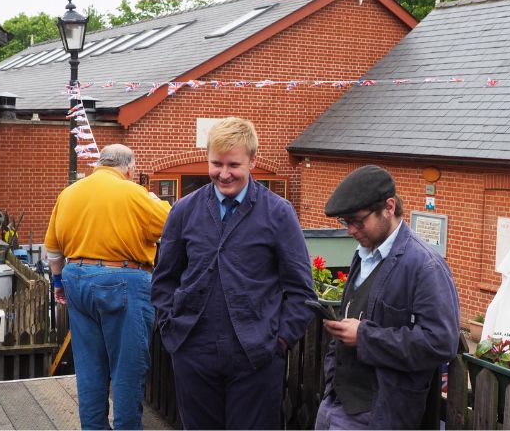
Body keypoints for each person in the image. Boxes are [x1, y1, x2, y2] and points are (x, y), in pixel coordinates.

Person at [152, 117, 314, 430]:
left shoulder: (278, 212)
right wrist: (171, 329)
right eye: (216, 163)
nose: (224, 174)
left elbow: (301, 290)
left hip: (256, 356)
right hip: (193, 350)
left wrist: (279, 341)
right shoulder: (184, 210)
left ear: (253, 161)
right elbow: (164, 278)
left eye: (234, 165)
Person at [316, 166, 460, 430]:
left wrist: (365, 337)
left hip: (379, 413)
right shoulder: (363, 254)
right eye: (345, 222)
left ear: (389, 207)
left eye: (358, 221)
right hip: (335, 403)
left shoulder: (425, 266)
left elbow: (441, 343)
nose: (351, 230)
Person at [44, 144, 170, 431]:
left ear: (99, 163)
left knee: (89, 368)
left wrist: (58, 281)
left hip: (76, 278)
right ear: (130, 169)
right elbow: (172, 223)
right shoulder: (133, 192)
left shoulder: (70, 193)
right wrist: (153, 198)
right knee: (127, 367)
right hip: (123, 279)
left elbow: (52, 247)